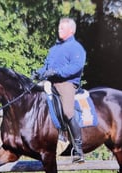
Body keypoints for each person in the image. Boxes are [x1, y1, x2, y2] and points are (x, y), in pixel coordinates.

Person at [33, 17, 86, 163]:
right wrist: (39, 72)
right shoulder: (54, 49)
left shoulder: (76, 48)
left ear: (71, 30)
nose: (59, 30)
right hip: (50, 82)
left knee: (68, 112)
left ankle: (78, 149)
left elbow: (76, 66)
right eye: (59, 28)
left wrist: (57, 72)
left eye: (62, 28)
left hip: (66, 83)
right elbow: (47, 66)